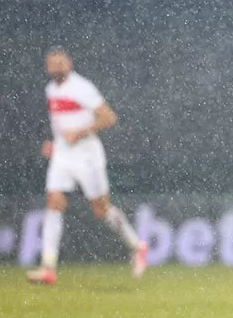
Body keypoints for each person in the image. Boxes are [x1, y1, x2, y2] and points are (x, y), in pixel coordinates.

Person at [25, 47, 147, 285]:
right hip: (63, 156)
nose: (57, 67)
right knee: (54, 201)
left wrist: (80, 133)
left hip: (88, 156)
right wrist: (55, 144)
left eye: (61, 62)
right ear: (46, 67)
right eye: (52, 63)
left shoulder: (82, 88)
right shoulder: (50, 90)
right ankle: (48, 267)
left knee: (101, 210)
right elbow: (62, 125)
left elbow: (108, 117)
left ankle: (137, 246)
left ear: (69, 63)